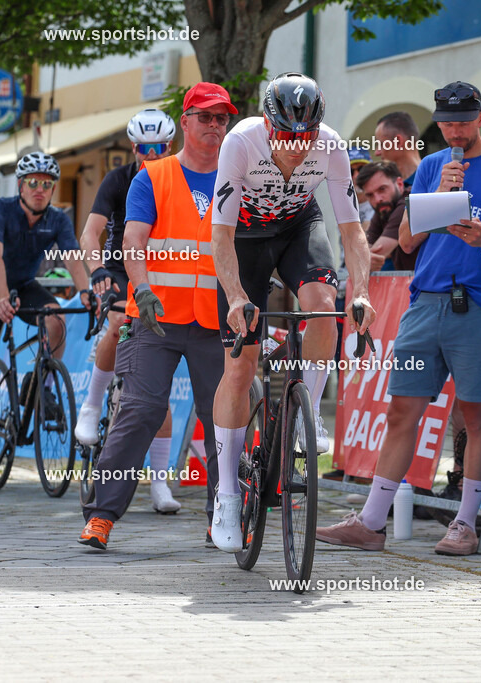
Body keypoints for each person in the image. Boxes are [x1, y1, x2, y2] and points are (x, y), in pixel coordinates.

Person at [316, 80, 481, 556]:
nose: (455, 130)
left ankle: (464, 522)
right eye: (447, 122)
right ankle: (372, 522)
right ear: (437, 123)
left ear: (480, 117)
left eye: (463, 121)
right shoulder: (433, 167)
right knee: (402, 411)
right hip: (425, 304)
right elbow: (410, 242)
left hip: (476, 305)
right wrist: (435, 194)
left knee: (474, 413)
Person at [207, 72, 375, 552]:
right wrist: (238, 297)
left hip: (298, 227)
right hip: (244, 238)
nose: (297, 147)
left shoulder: (332, 146)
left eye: (306, 137)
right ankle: (224, 494)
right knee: (239, 368)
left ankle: (310, 418)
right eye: (285, 136)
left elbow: (352, 232)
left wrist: (359, 292)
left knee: (325, 307)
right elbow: (219, 236)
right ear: (267, 122)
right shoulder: (240, 142)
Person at [78, 83, 235, 550]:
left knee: (223, 420)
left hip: (216, 322)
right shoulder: (154, 177)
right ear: (184, 123)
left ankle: (223, 518)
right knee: (141, 411)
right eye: (204, 117)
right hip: (154, 318)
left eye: (221, 118)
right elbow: (133, 242)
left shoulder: (238, 179)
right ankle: (101, 516)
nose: (213, 126)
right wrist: (141, 288)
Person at [0, 152, 90, 493]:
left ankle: (43, 389)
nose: (40, 189)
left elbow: (71, 257)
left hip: (24, 285)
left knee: (54, 321)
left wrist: (85, 293)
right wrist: (0, 298)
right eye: (33, 183)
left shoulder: (57, 218)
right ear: (21, 186)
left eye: (47, 184)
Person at [75, 108, 182, 514]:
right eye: (142, 148)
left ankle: (159, 485)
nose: (149, 156)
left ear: (169, 146)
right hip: (122, 266)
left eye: (157, 148)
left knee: (158, 392)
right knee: (120, 322)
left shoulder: (181, 176)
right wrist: (97, 268)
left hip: (165, 270)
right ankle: (91, 405)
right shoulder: (118, 179)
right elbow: (90, 232)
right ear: (132, 147)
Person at [355, 160, 420, 272]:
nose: (377, 199)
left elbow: (377, 253)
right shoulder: (384, 209)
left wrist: (363, 261)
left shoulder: (408, 202)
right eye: (370, 195)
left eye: (382, 189)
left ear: (399, 184)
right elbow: (363, 254)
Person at [373, 111, 422, 186]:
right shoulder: (385, 188)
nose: (376, 153)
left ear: (398, 142)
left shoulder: (434, 181)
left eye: (381, 144)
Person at [348, 148, 375, 230]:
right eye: (350, 171)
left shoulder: (383, 199)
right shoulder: (339, 204)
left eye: (362, 169)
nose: (356, 176)